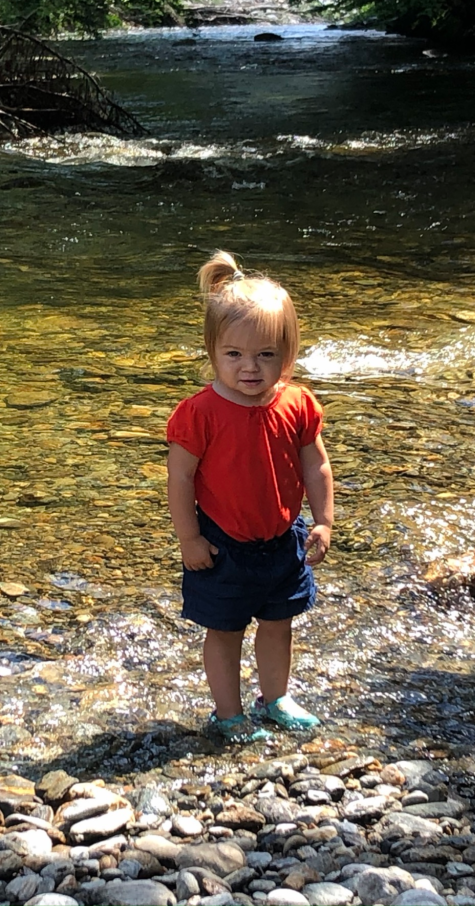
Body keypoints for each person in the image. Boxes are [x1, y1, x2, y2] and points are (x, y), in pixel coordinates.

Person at [166, 250, 334, 744]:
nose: (250, 368)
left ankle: (276, 697)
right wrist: (189, 537)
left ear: (289, 352)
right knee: (225, 630)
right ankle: (228, 713)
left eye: (266, 355)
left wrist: (322, 520)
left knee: (280, 622)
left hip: (283, 538)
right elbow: (179, 481)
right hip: (221, 544)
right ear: (212, 351)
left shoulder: (298, 403)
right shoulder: (199, 414)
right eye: (234, 355)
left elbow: (315, 463)